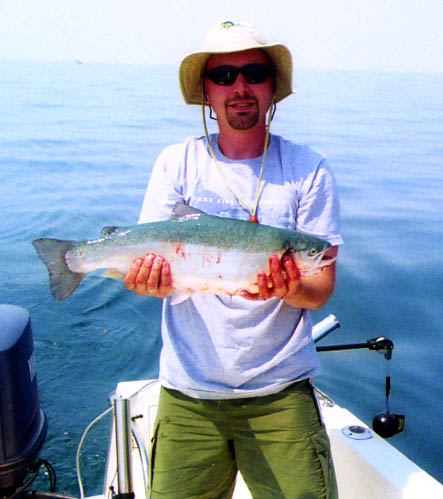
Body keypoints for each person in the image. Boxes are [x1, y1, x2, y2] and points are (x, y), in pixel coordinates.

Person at [124, 21, 342, 499]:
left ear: (272, 87)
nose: (239, 87)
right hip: (188, 393)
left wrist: (288, 287)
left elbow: (321, 286)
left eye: (253, 73)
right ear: (205, 90)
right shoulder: (174, 164)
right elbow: (155, 271)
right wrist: (148, 279)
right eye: (224, 75)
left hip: (280, 393)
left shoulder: (309, 171)